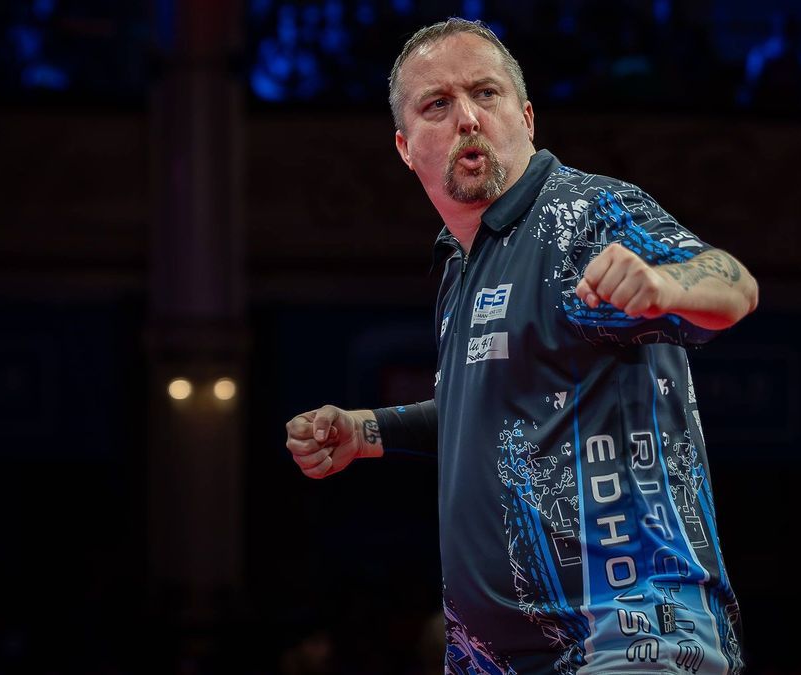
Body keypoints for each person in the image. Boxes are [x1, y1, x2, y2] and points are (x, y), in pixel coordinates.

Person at [284, 18, 758, 674]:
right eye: (438, 104)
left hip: (633, 638)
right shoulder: (460, 264)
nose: (468, 118)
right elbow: (481, 414)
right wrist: (366, 430)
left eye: (487, 94)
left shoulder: (584, 214)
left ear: (527, 116)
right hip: (494, 660)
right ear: (404, 145)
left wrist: (662, 282)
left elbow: (735, 286)